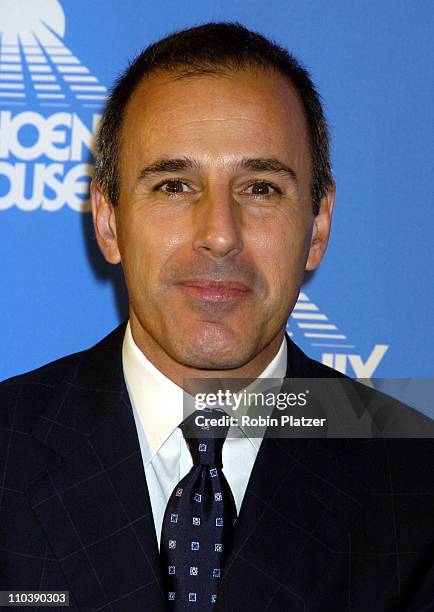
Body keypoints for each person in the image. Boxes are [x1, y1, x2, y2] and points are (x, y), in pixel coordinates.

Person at [1, 23, 433, 612]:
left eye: (260, 188)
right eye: (175, 185)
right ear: (107, 220)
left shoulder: (414, 483)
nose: (220, 235)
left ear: (319, 226)